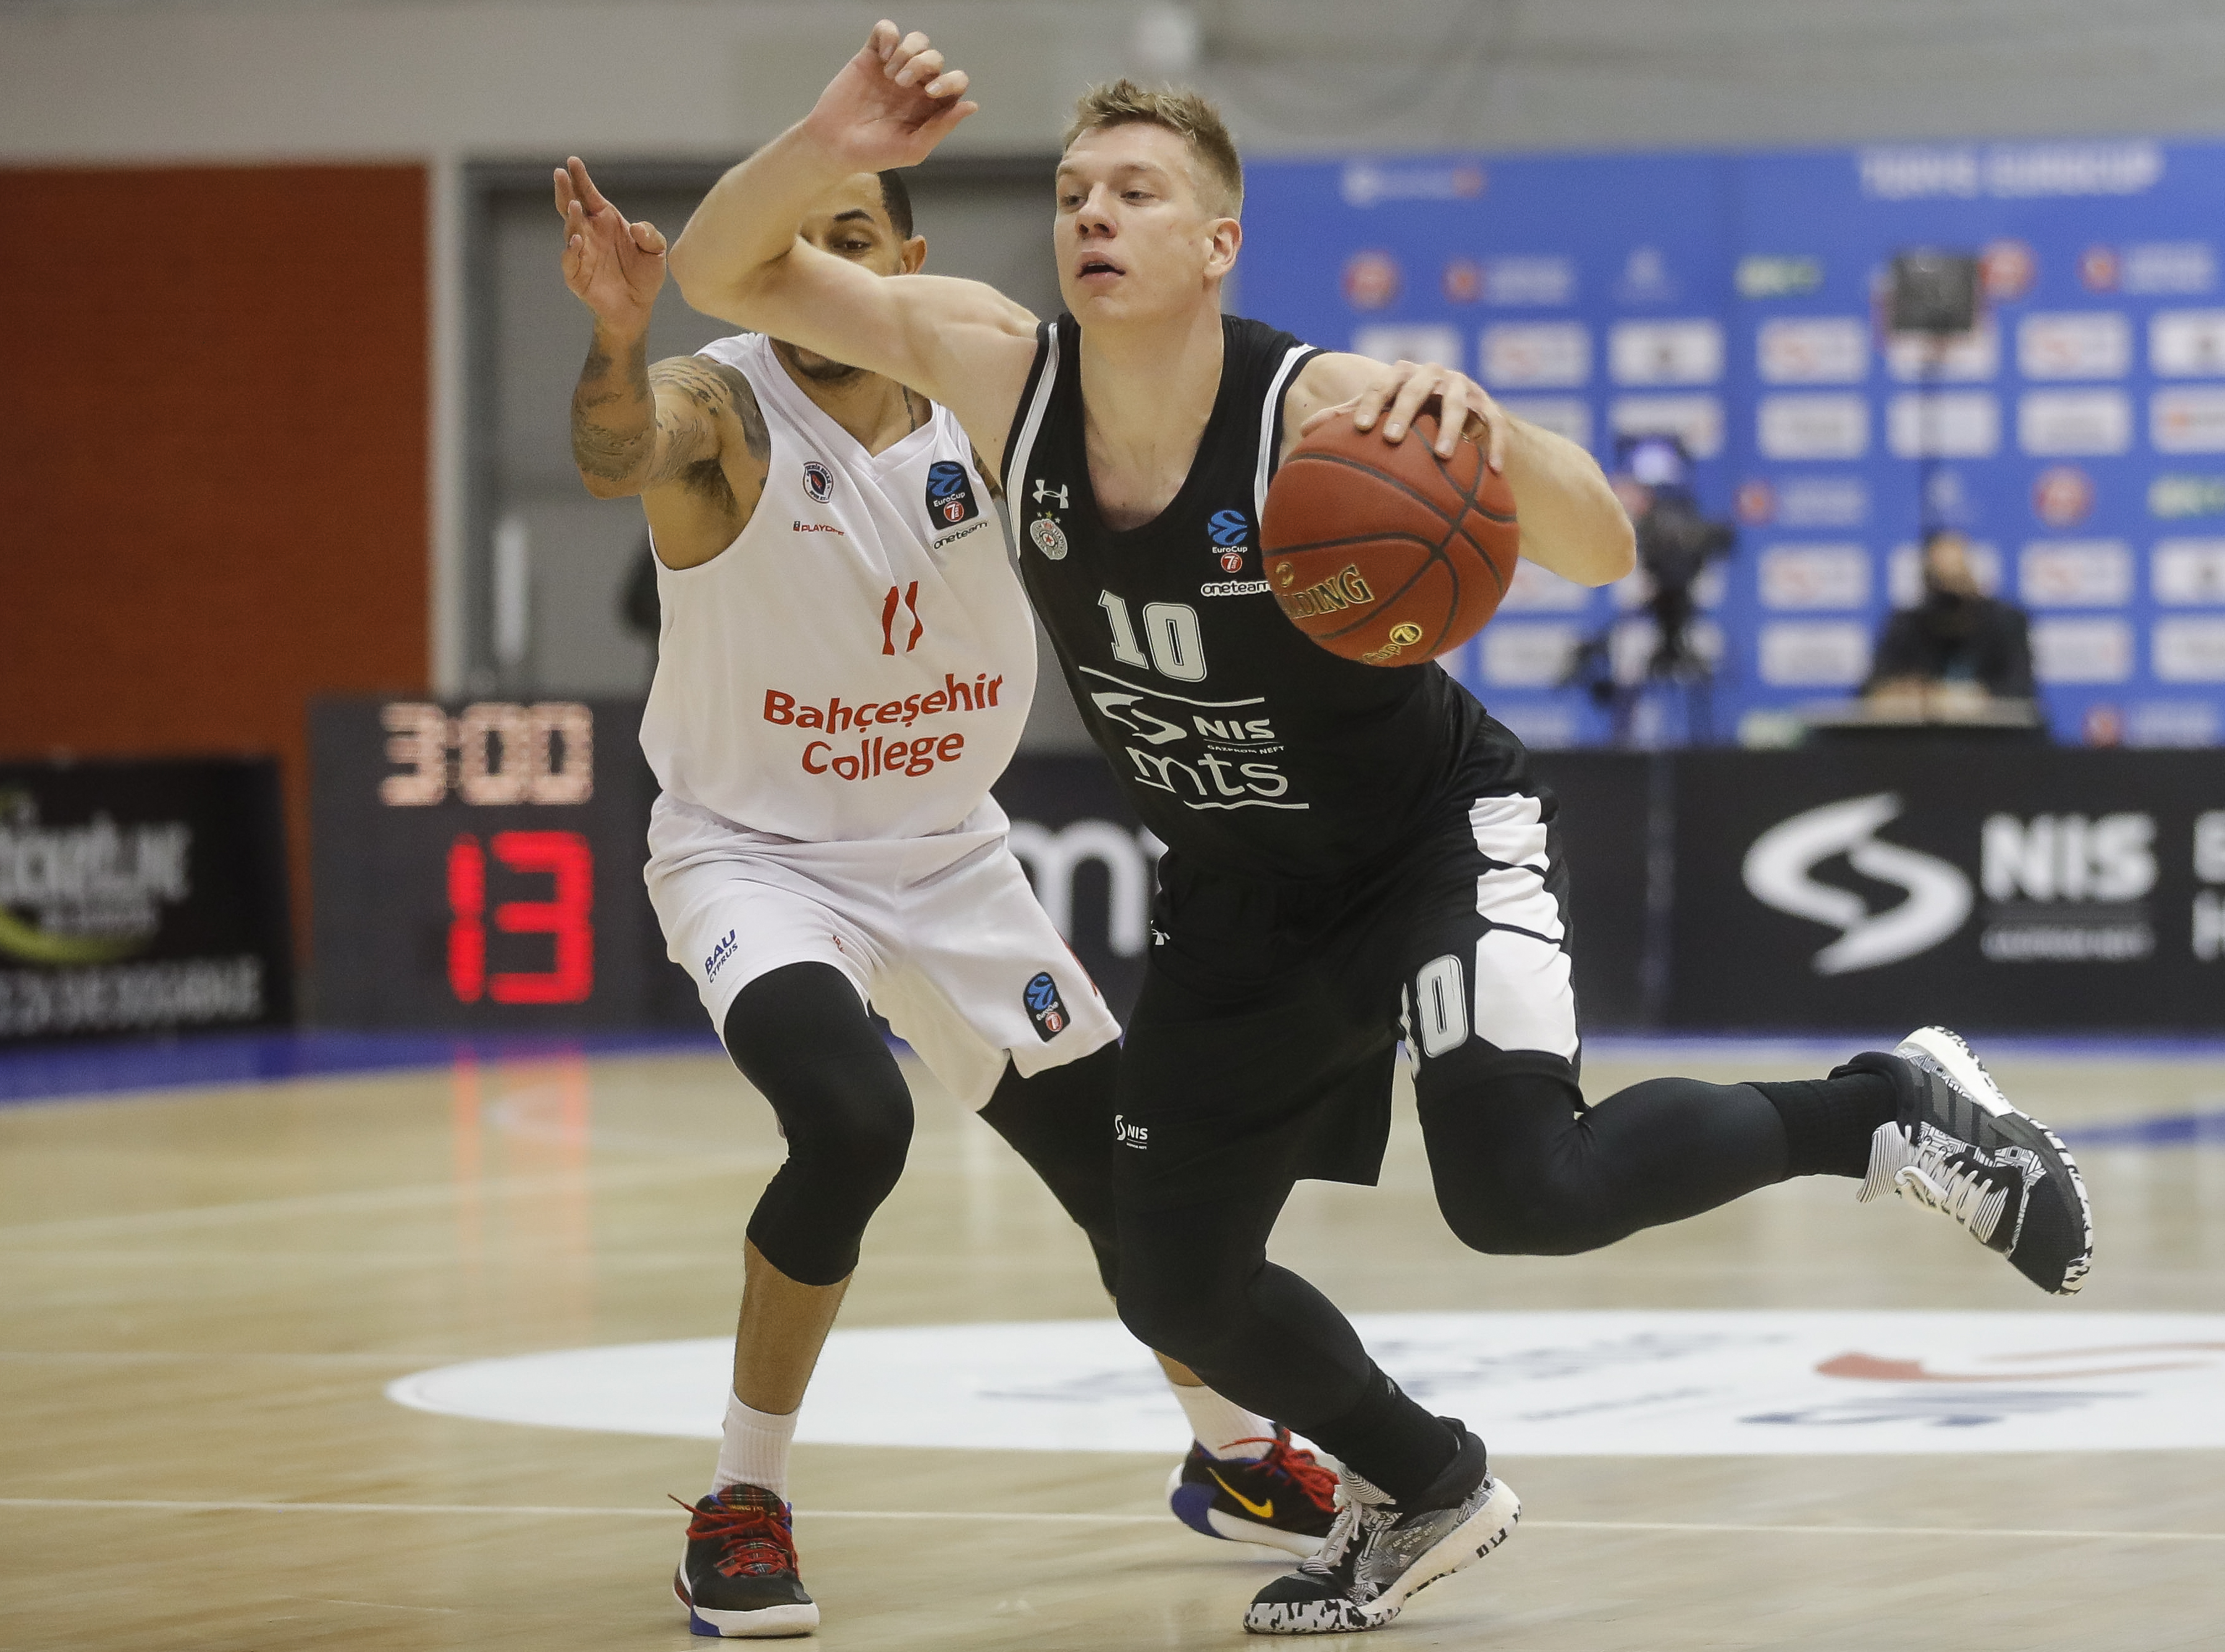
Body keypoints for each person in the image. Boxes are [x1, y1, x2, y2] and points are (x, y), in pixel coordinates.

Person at [666, 25, 2097, 1635]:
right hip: (1236, 895)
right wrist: (825, 134)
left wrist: (1486, 431)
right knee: (1171, 1284)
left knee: (1519, 1187)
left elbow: (1603, 543)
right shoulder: (998, 371)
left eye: (1137, 192)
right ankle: (1423, 1483)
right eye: (1075, 192)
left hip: (1429, 841)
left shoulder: (1326, 408)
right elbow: (724, 274)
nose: (1094, 216)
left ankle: (1887, 1108)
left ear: (1217, 242)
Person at [556, 154, 1338, 1638]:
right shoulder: (725, 404)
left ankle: (1233, 1455)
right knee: (853, 1121)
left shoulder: (997, 413)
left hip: (948, 858)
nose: (812, 273)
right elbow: (615, 451)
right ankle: (741, 1501)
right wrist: (614, 333)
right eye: (784, 249)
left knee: (1132, 1181)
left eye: (845, 241)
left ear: (902, 259)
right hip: (755, 856)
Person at [1867, 529, 2035, 706]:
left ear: (1972, 576)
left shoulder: (2006, 621)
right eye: (1940, 582)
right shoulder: (1906, 626)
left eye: (1957, 578)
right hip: (1922, 732)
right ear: (1926, 583)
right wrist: (1904, 693)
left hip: (1992, 732)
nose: (1950, 597)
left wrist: (1968, 698)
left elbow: (2021, 691)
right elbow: (1871, 690)